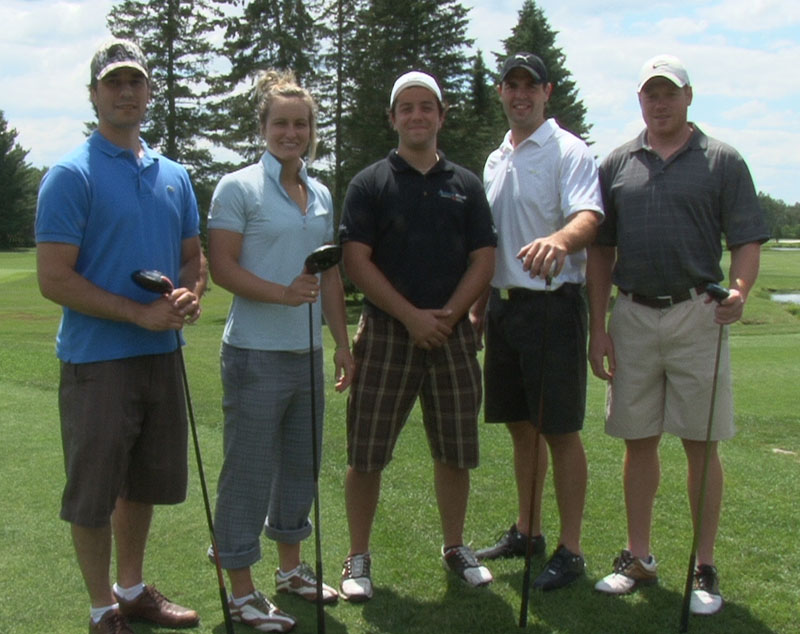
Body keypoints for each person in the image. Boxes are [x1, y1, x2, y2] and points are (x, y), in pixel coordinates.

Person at [587, 54, 769, 615]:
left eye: (669, 93)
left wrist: (739, 289)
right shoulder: (617, 162)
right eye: (650, 94)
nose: (659, 103)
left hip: (698, 312)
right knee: (637, 440)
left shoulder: (722, 161)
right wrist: (599, 326)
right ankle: (638, 557)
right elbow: (601, 251)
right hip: (634, 314)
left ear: (688, 97)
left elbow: (745, 239)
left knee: (700, 442)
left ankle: (705, 567)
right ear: (640, 100)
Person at [35, 38, 206, 634]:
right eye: (114, 83)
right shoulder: (69, 175)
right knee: (94, 492)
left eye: (135, 82)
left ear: (149, 91)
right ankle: (101, 609)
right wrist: (135, 315)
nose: (126, 92)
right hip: (97, 360)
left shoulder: (175, 176)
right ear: (94, 94)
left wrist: (188, 294)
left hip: (161, 355)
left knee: (143, 483)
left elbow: (192, 259)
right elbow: (54, 278)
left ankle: (131, 589)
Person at [336, 70, 497, 601]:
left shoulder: (466, 185)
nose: (416, 116)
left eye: (426, 106)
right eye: (406, 107)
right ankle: (357, 557)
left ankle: (455, 545)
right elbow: (356, 262)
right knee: (367, 452)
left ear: (441, 115)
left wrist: (447, 317)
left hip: (450, 336)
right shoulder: (370, 183)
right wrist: (411, 317)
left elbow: (484, 259)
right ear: (393, 117)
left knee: (455, 450)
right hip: (387, 333)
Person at [206, 69, 354, 632]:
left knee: (300, 467)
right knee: (246, 472)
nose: (291, 132)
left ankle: (291, 570)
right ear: (263, 127)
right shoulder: (238, 187)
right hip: (253, 352)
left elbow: (330, 275)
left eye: (301, 124)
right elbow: (223, 268)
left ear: (312, 130)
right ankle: (241, 590)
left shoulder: (318, 192)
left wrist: (341, 342)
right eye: (281, 123)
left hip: (306, 356)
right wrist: (284, 294)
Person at [470, 52, 603, 591]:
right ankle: (529, 531)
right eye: (511, 85)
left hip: (552, 303)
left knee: (561, 430)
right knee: (522, 428)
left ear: (547, 92)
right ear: (501, 92)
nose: (520, 94)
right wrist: (480, 308)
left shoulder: (568, 151)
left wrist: (560, 239)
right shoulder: (496, 158)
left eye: (530, 85)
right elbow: (490, 244)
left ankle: (570, 550)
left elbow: (589, 216)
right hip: (504, 307)